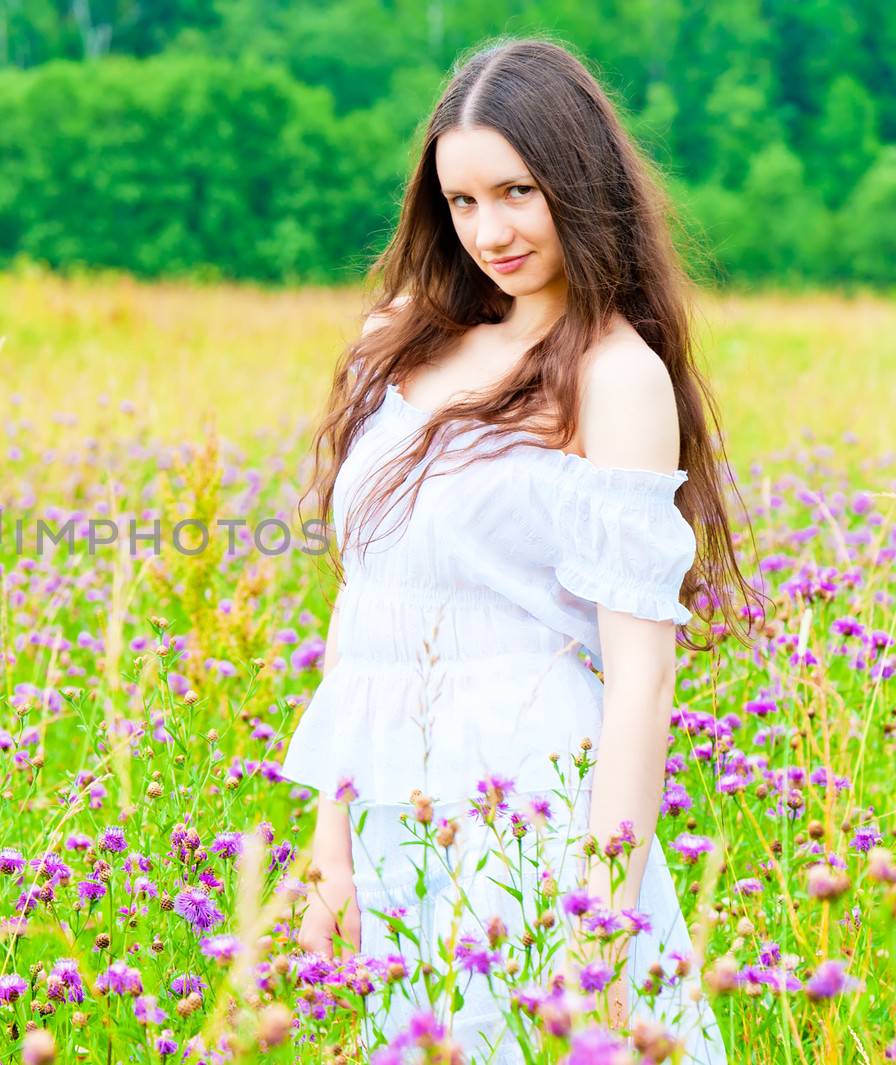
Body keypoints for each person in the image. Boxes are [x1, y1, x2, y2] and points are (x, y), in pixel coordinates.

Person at [283, 36, 767, 1064]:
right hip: (391, 814)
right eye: (461, 203)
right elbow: (366, 617)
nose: (489, 230)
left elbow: (638, 679)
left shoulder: (612, 375)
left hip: (530, 818)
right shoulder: (402, 337)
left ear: (579, 185)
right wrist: (331, 844)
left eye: (516, 192)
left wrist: (603, 917)